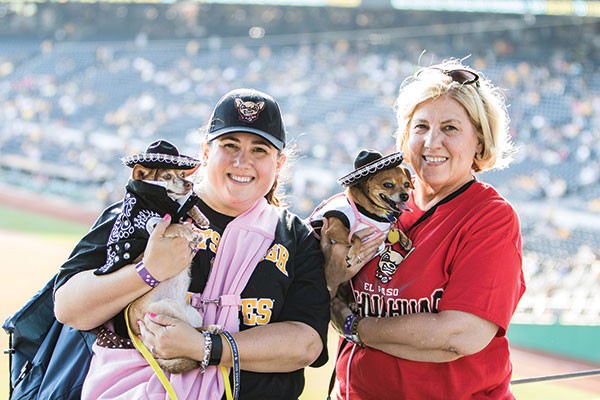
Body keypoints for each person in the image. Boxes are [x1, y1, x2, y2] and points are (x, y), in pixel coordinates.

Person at [54, 88, 330, 400]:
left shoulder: (295, 237)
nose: (242, 161)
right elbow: (68, 308)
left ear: (278, 163)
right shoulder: (148, 208)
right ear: (205, 151)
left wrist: (204, 347)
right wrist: (148, 271)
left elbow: (306, 344)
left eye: (260, 150)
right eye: (230, 145)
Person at [321, 59, 526, 399]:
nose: (431, 142)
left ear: (479, 140)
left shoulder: (490, 218)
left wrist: (355, 326)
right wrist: (330, 281)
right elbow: (322, 290)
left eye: (450, 128)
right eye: (420, 127)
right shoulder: (373, 206)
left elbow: (459, 336)